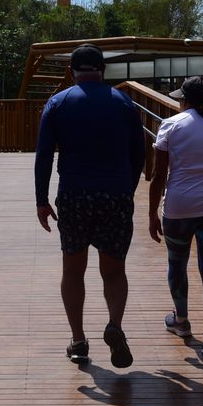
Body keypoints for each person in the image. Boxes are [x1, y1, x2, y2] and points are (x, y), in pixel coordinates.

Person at [35, 44, 146, 368]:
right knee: (114, 270)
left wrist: (41, 200)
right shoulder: (123, 102)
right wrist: (127, 190)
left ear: (71, 71)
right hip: (115, 194)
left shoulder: (58, 102)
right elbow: (139, 153)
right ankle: (114, 325)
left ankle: (79, 341)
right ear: (102, 70)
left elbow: (44, 156)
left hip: (74, 195)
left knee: (73, 269)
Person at [147, 76, 203, 356]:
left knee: (177, 262)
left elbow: (159, 175)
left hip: (179, 207)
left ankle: (181, 321)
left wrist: (151, 212)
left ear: (184, 101)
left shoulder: (171, 125)